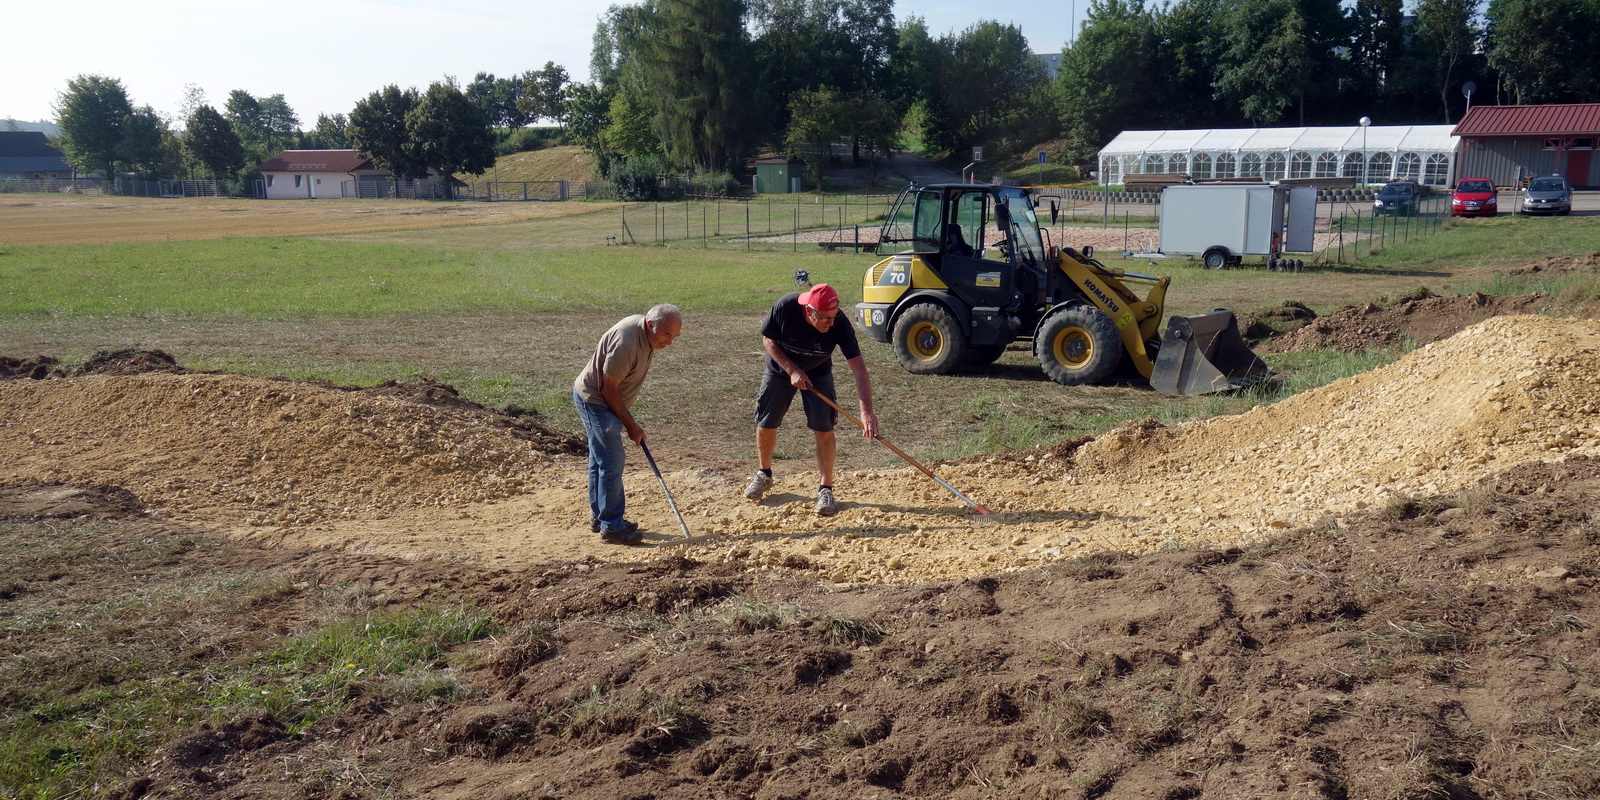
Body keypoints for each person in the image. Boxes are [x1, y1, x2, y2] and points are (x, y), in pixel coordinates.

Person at [743, 283, 878, 516]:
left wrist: (867, 412)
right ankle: (764, 474)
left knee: (824, 428)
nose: (831, 323)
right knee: (766, 422)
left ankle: (826, 488)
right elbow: (768, 341)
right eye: (825, 318)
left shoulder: (840, 324)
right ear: (809, 311)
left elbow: (859, 369)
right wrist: (791, 369)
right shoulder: (785, 307)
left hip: (818, 372)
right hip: (780, 369)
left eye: (834, 317)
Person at [573, 304, 683, 544]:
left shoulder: (647, 333)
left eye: (675, 337)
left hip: (605, 400)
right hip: (596, 400)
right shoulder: (626, 343)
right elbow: (608, 390)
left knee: (600, 460)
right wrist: (632, 426)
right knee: (611, 461)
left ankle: (601, 517)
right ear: (650, 325)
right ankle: (612, 528)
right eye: (666, 335)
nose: (670, 342)